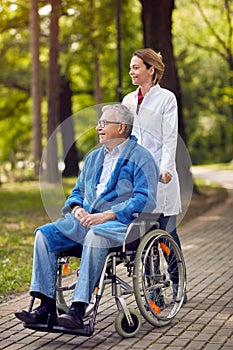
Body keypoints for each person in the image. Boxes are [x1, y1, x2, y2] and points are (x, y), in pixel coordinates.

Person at [15, 103, 159, 329]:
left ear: (121, 127)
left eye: (104, 123)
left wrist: (108, 215)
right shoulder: (93, 158)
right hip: (84, 222)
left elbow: (145, 199)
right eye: (98, 123)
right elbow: (77, 193)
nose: (97, 127)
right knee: (44, 235)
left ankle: (77, 309)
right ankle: (46, 306)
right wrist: (76, 209)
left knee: (96, 235)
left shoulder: (142, 157)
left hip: (119, 224)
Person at [123, 48, 187, 302]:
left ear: (151, 70)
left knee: (167, 233)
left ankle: (177, 282)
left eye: (136, 67)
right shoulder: (128, 100)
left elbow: (170, 137)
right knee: (143, 238)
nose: (131, 71)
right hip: (137, 179)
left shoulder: (166, 99)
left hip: (161, 177)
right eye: (130, 67)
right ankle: (153, 292)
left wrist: (166, 169)